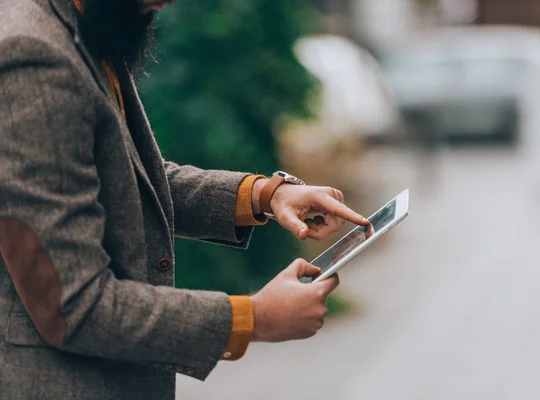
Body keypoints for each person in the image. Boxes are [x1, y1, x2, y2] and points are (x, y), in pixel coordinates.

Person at [0, 0, 370, 399]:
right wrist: (252, 318)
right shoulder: (35, 58)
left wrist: (268, 194)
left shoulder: (86, 21)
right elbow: (74, 303)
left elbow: (131, 180)